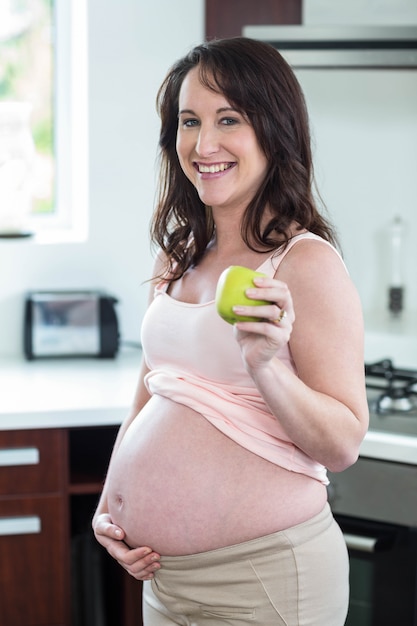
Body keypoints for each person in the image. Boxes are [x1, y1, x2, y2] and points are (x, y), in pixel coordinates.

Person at [93, 37, 369, 625]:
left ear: (273, 130)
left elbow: (343, 443)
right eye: (189, 121)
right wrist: (110, 503)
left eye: (229, 120)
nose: (204, 143)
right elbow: (155, 386)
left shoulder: (303, 263)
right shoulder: (181, 255)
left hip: (263, 580)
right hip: (166, 581)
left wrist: (266, 363)